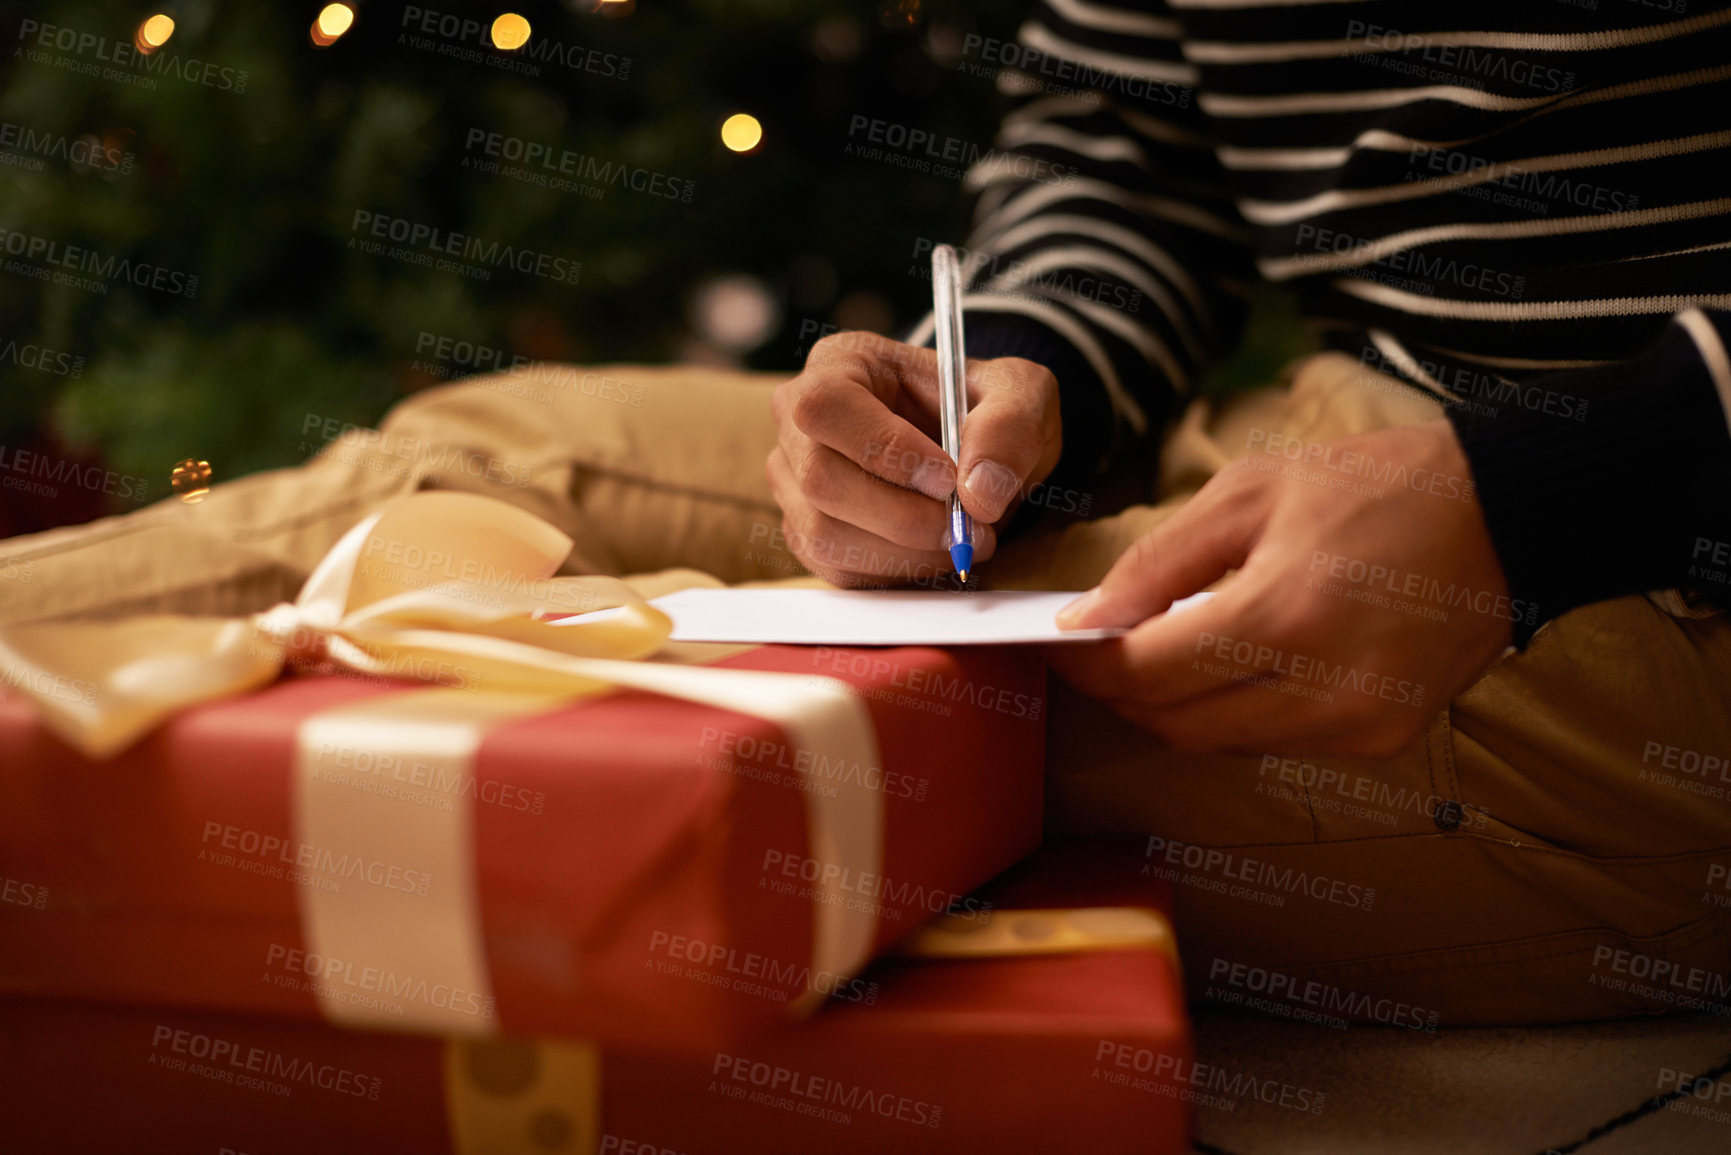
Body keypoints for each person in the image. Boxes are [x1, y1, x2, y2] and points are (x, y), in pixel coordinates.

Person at [5, 1, 1730, 1025]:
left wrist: (1575, 483)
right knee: (472, 467)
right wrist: (1022, 376)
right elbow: (1124, 145)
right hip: (1317, 440)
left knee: (684, 744)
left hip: (1653, 591)